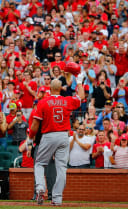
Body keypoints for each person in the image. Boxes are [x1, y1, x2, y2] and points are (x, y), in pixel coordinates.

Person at [29, 75, 84, 206]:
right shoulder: (67, 100)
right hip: (64, 135)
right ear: (60, 88)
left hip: (49, 135)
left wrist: (30, 138)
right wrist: (80, 82)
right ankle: (57, 198)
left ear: (50, 88)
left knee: (39, 164)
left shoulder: (43, 102)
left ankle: (40, 187)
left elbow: (35, 124)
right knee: (61, 168)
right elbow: (81, 96)